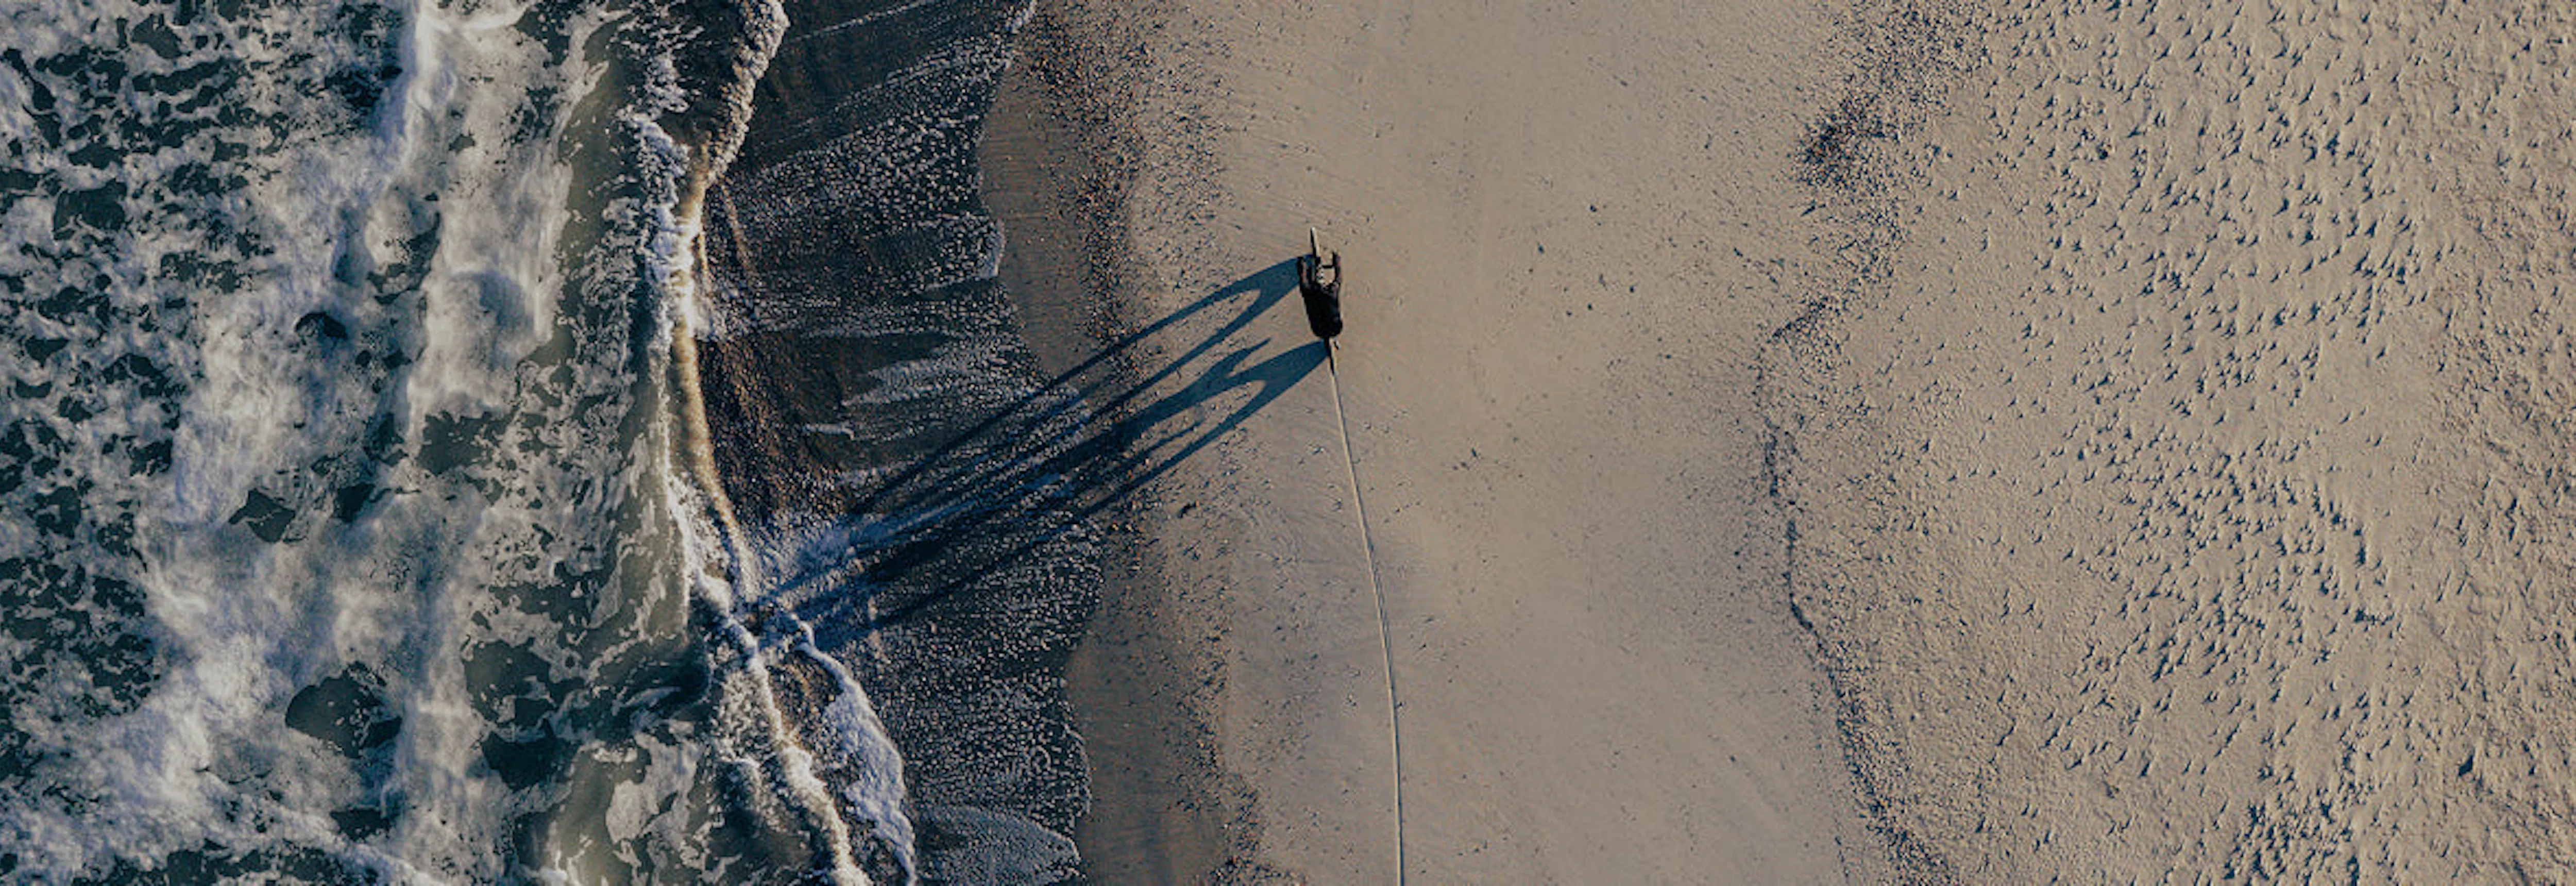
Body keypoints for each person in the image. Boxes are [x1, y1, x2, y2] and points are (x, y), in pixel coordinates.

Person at [1297, 228, 1344, 340]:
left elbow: (1303, 280)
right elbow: (1339, 278)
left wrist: (1302, 267)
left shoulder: (1310, 293)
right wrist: (1337, 263)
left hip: (1317, 331)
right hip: (1335, 329)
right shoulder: (1332, 292)